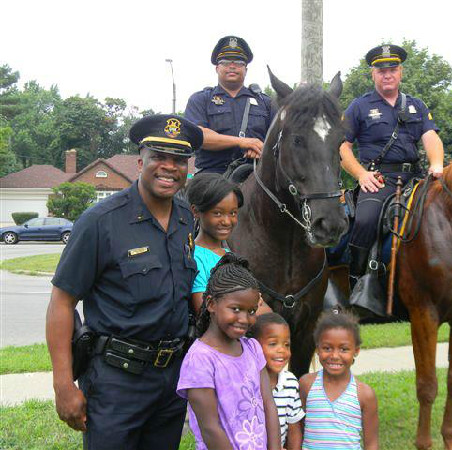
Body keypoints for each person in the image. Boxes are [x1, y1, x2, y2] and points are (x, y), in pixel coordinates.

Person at [46, 114, 202, 449]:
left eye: (179, 160)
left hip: (172, 378)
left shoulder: (187, 218)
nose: (169, 167)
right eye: (159, 157)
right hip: (117, 381)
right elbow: (62, 302)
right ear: (139, 161)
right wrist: (63, 384)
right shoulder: (99, 222)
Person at [339, 44, 444, 281]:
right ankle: (356, 280)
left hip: (416, 178)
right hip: (378, 179)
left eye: (393, 69)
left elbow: (430, 137)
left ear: (401, 72)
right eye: (381, 70)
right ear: (373, 74)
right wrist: (361, 175)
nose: (388, 74)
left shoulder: (416, 105)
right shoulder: (359, 106)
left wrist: (437, 164)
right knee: (365, 220)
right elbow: (342, 146)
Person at [177, 253, 281, 450]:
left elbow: (268, 404)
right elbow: (210, 428)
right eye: (236, 309)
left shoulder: (252, 349)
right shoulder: (200, 360)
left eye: (251, 311)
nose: (244, 318)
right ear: (211, 304)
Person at [185, 35, 276, 174]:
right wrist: (243, 142)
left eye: (239, 62)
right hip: (211, 175)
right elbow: (199, 136)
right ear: (217, 68)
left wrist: (260, 148)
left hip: (256, 173)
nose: (232, 66)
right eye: (226, 62)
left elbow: (278, 138)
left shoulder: (265, 102)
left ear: (246, 69)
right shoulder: (201, 99)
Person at [187, 172, 272, 316]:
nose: (227, 221)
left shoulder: (230, 256)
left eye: (232, 213)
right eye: (218, 213)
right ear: (196, 212)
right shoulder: (196, 259)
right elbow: (205, 313)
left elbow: (265, 311)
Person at [299, 310, 379, 450]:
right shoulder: (307, 384)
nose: (335, 355)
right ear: (317, 348)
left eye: (344, 349)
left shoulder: (365, 394)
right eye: (327, 348)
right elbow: (297, 430)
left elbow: (371, 444)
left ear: (356, 351)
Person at [252, 313, 304, 450]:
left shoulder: (290, 383)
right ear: (254, 346)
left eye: (287, 345)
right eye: (273, 344)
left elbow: (294, 428)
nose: (282, 350)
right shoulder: (246, 383)